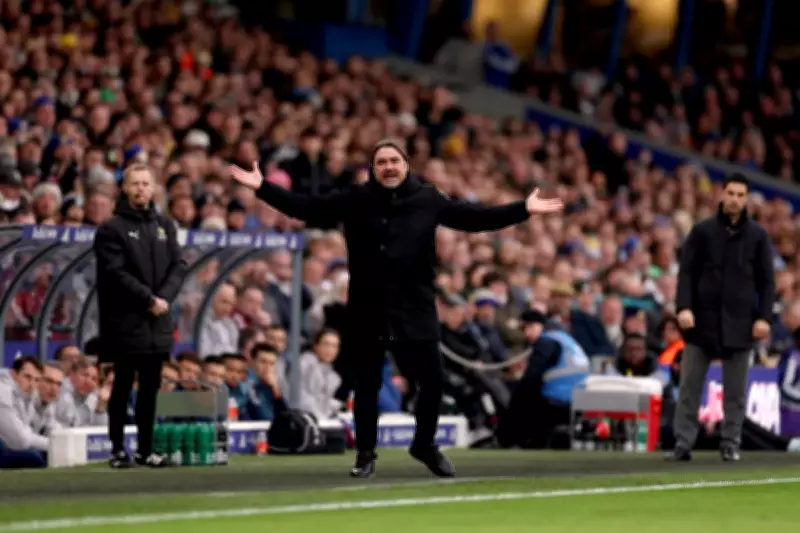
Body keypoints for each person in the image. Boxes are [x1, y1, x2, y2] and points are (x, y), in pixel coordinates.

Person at [229, 139, 563, 478]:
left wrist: (523, 208)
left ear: (405, 165)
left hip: (415, 309)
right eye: (381, 162)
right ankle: (365, 454)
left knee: (433, 381)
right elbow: (306, 208)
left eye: (394, 161)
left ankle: (424, 445)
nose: (388, 167)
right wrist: (262, 187)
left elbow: (475, 218)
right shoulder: (356, 199)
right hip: (368, 308)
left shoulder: (428, 199)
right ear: (373, 169)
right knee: (366, 386)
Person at [669, 174, 775, 462]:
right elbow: (686, 273)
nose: (734, 199)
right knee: (689, 385)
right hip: (701, 320)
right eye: (730, 193)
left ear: (747, 199)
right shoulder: (702, 231)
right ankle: (683, 443)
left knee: (736, 391)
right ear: (722, 194)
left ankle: (730, 443)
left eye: (740, 195)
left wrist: (764, 317)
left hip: (741, 322)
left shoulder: (758, 236)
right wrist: (683, 307)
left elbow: (767, 282)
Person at [94, 163, 187, 468]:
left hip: (157, 322)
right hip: (125, 322)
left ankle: (146, 450)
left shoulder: (165, 225)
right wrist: (148, 299)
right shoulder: (111, 229)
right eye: (135, 183)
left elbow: (179, 265)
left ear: (154, 187)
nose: (140, 189)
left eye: (146, 183)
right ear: (124, 187)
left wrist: (164, 299)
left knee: (150, 389)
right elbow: (115, 273)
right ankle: (117, 449)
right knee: (122, 385)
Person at [0, 356, 48, 468]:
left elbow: (29, 432)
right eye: (27, 377)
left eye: (36, 380)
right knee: (35, 458)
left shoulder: (29, 395)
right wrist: (53, 443)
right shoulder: (3, 392)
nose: (32, 384)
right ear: (13, 374)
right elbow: (20, 441)